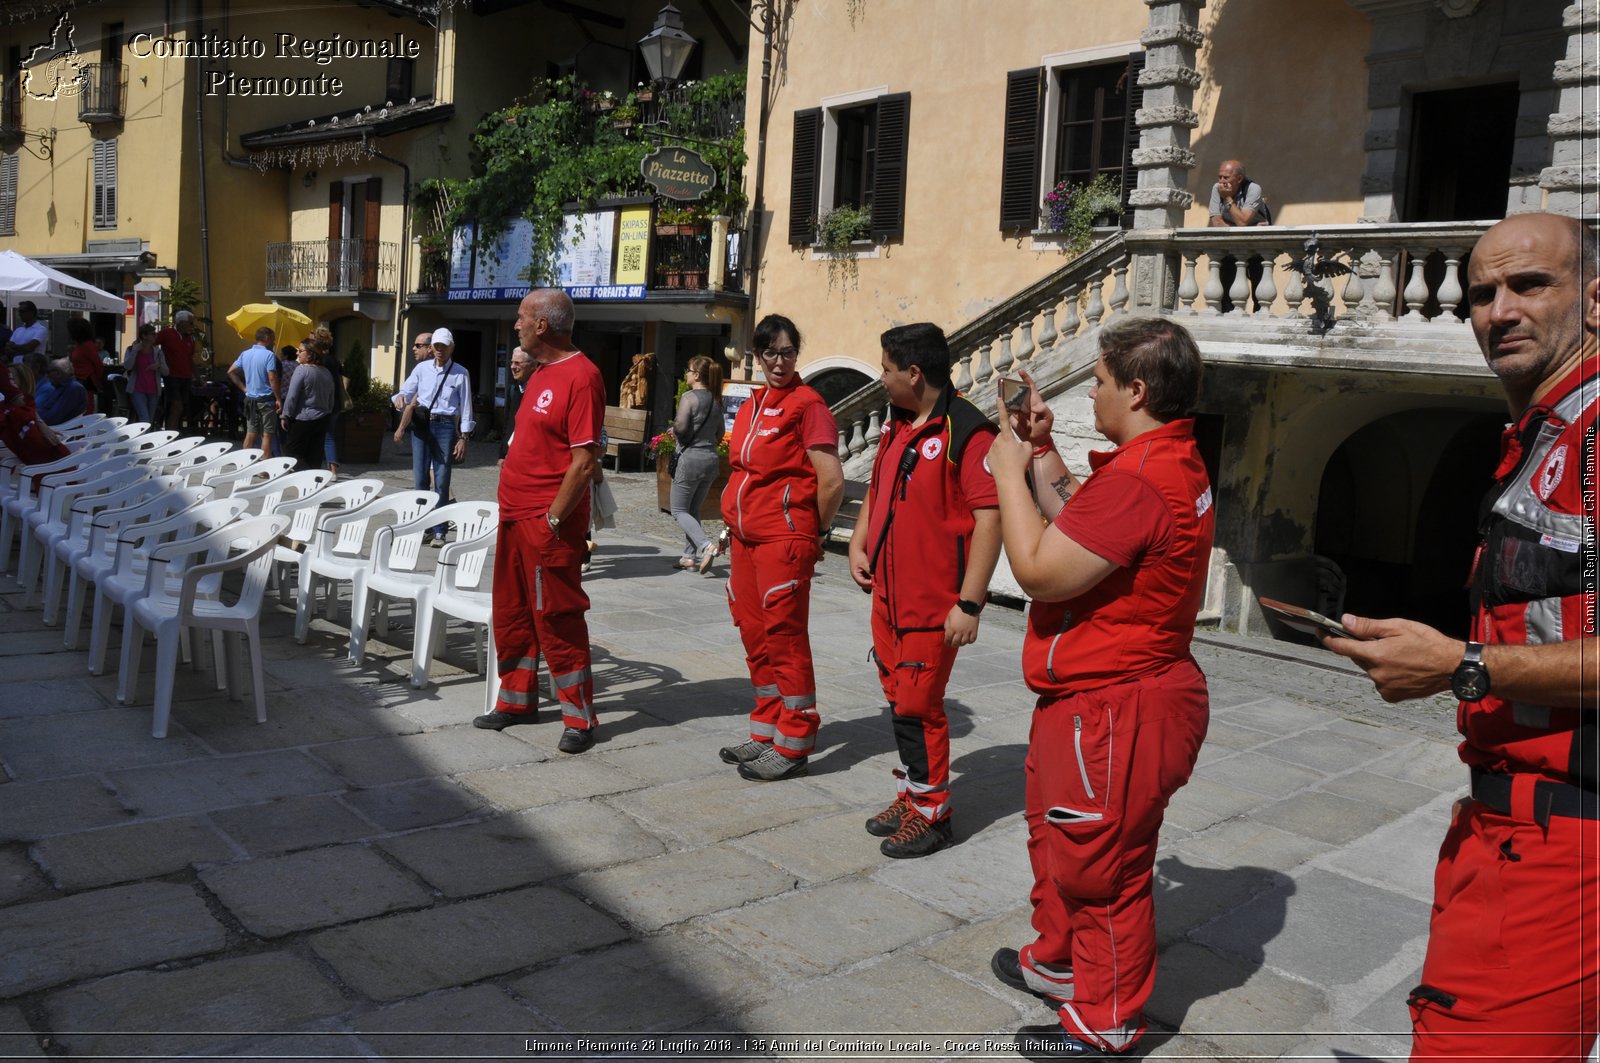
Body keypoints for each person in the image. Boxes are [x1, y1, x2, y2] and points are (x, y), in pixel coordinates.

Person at [1324, 212, 1600, 1063]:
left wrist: (1462, 665)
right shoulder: (1543, 432)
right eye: (1483, 292)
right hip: (1513, 831)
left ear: (1596, 300)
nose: (1499, 310)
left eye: (1529, 285)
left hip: (1565, 845)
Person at [986, 318, 1213, 1058]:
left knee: (1101, 865)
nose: (1094, 390)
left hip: (1118, 703)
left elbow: (1042, 567)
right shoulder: (1156, 461)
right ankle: (1059, 961)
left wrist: (1005, 467)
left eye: (1103, 381)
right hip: (1095, 695)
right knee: (1060, 835)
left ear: (1137, 390)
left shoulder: (1147, 478)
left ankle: (1107, 1015)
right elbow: (1084, 524)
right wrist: (1044, 449)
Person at [847, 322, 1002, 858]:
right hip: (889, 599)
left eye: (887, 370)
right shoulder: (898, 422)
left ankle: (934, 817)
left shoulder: (968, 431)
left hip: (932, 607)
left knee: (918, 706)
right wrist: (858, 543)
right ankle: (914, 796)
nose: (882, 380)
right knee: (898, 702)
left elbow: (990, 519)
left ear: (914, 373)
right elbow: (878, 490)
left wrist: (969, 603)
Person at [716, 314, 844, 782]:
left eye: (788, 352)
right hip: (746, 540)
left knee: (785, 638)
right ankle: (767, 727)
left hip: (784, 539)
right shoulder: (752, 404)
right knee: (754, 633)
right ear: (757, 353)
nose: (779, 361)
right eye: (770, 352)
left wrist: (816, 534)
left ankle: (795, 739)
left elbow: (831, 482)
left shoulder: (808, 405)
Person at [479, 289, 604, 755]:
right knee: (511, 612)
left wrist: (554, 518)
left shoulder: (582, 376)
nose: (516, 325)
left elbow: (585, 461)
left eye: (521, 318)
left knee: (557, 618)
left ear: (543, 326)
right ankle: (516, 701)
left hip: (545, 523)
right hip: (514, 516)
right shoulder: (539, 375)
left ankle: (579, 718)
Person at [393, 326, 473, 545]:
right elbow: (405, 391)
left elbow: (466, 406)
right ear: (432, 347)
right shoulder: (422, 369)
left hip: (445, 425)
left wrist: (464, 437)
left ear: (451, 348)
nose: (439, 350)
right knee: (420, 478)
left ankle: (440, 530)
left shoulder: (460, 372)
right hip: (422, 424)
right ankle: (423, 526)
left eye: (443, 346)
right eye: (436, 346)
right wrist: (399, 397)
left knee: (441, 478)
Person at [669, 355, 727, 574]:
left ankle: (706, 546)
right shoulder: (716, 399)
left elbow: (681, 427)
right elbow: (720, 433)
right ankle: (688, 557)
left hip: (689, 460)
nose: (686, 373)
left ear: (696, 374)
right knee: (693, 509)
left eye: (688, 370)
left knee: (678, 510)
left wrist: (674, 431)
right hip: (710, 460)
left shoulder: (689, 397)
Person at [1208, 159, 1271, 313]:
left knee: (1260, 293)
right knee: (1227, 290)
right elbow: (1216, 222)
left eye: (1226, 177)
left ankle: (1258, 324)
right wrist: (1250, 227)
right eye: (1220, 177)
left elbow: (1243, 222)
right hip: (1231, 246)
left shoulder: (1253, 189)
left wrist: (1228, 199)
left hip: (1258, 246)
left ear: (1239, 178)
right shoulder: (1217, 189)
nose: (1222, 181)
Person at [280, 338, 335, 471]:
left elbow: (292, 395)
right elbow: (331, 397)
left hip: (303, 418)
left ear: (310, 354)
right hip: (322, 418)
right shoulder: (326, 372)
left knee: (292, 454)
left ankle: (304, 477)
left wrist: (285, 415)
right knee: (314, 455)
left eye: (300, 351)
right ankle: (312, 483)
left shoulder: (302, 370)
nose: (297, 353)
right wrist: (327, 412)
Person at [227, 327, 281, 460]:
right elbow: (272, 378)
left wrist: (244, 389)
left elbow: (230, 372)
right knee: (266, 435)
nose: (274, 342)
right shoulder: (269, 355)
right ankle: (263, 469)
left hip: (250, 399)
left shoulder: (245, 354)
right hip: (266, 400)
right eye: (273, 339)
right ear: (267, 339)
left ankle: (244, 463)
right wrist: (279, 398)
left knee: (250, 433)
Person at [0, 364, 68, 465]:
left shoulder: (23, 410)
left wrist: (41, 423)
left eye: (11, 380)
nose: (8, 383)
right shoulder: (6, 406)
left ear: (22, 381)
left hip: (37, 469)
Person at [155, 309, 197, 430]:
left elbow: (190, 359)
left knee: (180, 407)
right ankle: (170, 432)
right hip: (171, 375)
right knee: (176, 405)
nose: (192, 326)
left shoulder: (190, 338)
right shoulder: (167, 333)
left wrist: (198, 377)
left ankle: (171, 430)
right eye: (190, 323)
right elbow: (150, 343)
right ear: (181, 323)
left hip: (186, 377)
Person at [122, 322, 168, 426]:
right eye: (153, 334)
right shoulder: (132, 349)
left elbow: (166, 372)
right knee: (145, 419)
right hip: (137, 389)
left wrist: (159, 366)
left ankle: (144, 440)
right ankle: (144, 442)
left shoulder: (158, 352)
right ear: (144, 336)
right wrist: (134, 352)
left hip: (154, 390)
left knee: (150, 420)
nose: (155, 336)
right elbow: (127, 366)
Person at [498, 345, 531, 466]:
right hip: (512, 453)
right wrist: (502, 454)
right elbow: (508, 424)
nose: (513, 367)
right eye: (512, 363)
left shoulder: (538, 389)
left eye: (517, 363)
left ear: (532, 365)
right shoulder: (513, 389)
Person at [65, 318, 104, 416]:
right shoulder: (78, 345)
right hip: (77, 381)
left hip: (86, 382)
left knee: (86, 411)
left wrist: (97, 381)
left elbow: (98, 365)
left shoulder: (87, 345)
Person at [34, 357, 86, 425]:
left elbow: (53, 417)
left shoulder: (74, 388)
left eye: (48, 372)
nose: (47, 375)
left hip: (61, 430)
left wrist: (34, 415)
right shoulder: (59, 387)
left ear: (58, 373)